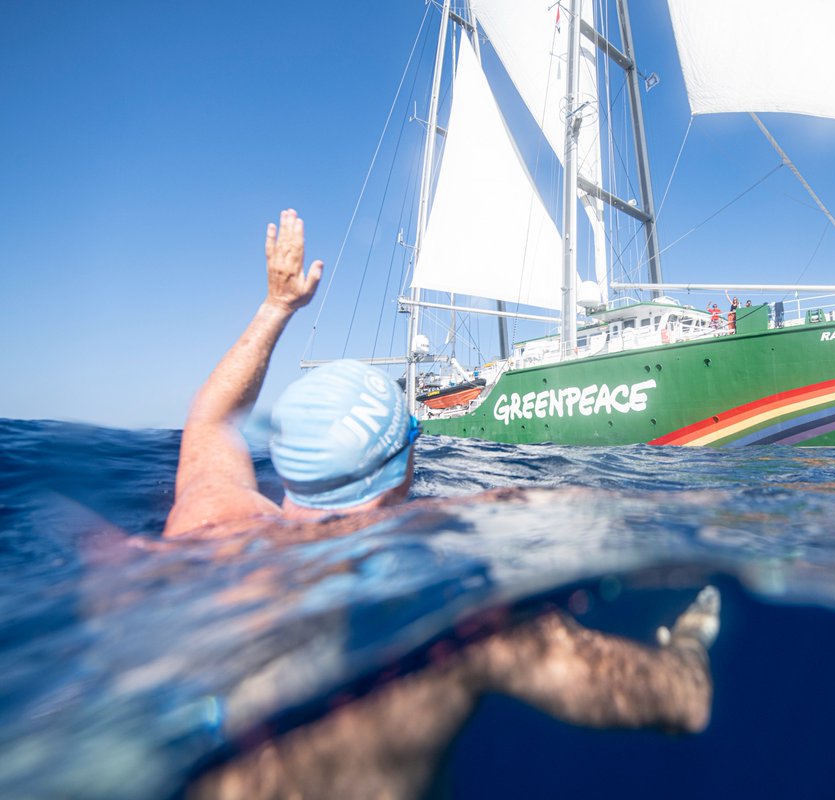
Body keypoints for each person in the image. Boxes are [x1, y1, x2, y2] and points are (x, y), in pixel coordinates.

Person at [170, 210, 720, 798]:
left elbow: (209, 419)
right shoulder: (460, 630)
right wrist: (687, 641)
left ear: (287, 464)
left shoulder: (210, 523)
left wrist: (277, 306)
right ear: (405, 464)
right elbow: (684, 704)